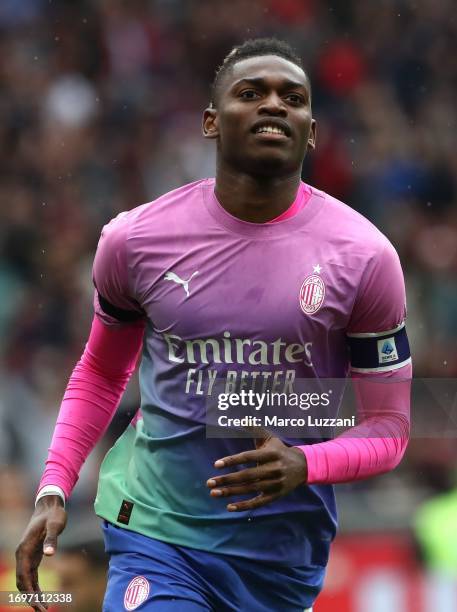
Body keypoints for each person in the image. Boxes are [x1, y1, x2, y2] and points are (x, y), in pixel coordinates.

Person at [16, 38, 412, 612]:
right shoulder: (136, 240)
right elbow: (102, 372)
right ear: (210, 122)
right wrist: (55, 485)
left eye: (292, 97)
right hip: (154, 532)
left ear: (312, 129)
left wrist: (306, 462)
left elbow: (390, 427)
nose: (274, 105)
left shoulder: (366, 258)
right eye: (251, 93)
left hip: (280, 560)